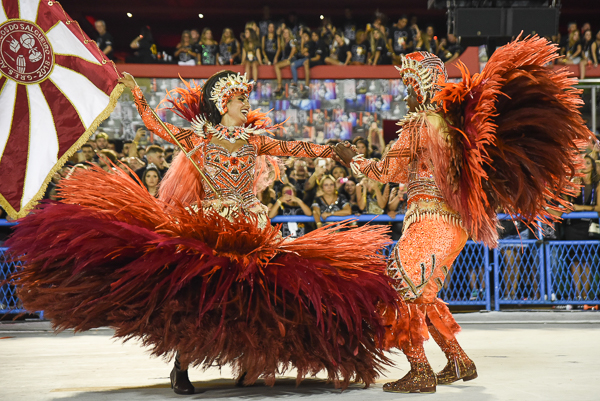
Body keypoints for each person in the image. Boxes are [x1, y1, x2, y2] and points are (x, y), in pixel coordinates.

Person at [9, 70, 402, 396]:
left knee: (253, 298)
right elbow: (155, 127)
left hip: (251, 224)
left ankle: (251, 364)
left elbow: (298, 149)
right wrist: (136, 93)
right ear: (222, 104)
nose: (246, 103)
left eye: (245, 97)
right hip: (213, 224)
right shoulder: (199, 138)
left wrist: (335, 150)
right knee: (202, 299)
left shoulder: (255, 140)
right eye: (239, 98)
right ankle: (181, 366)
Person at [335, 38, 590, 393]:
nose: (406, 96)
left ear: (420, 86)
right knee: (424, 295)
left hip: (429, 223)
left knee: (401, 292)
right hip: (453, 226)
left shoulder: (420, 123)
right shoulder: (449, 127)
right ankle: (458, 361)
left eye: (408, 86)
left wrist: (352, 161)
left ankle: (421, 371)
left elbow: (387, 172)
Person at [563, 154, 600, 299]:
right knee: (575, 261)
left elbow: (598, 207)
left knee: (587, 262)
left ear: (592, 167)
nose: (584, 166)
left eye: (588, 163)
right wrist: (572, 186)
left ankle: (586, 296)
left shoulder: (597, 185)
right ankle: (578, 296)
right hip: (573, 226)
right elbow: (567, 204)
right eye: (582, 164)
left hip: (588, 226)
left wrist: (580, 208)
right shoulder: (575, 182)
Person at [274, 28, 297, 94]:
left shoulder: (291, 41)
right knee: (276, 65)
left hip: (291, 59)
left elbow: (294, 49)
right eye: (284, 33)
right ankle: (280, 85)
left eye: (287, 32)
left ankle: (279, 85)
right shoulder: (283, 42)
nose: (285, 34)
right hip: (285, 59)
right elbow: (279, 47)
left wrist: (289, 58)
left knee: (277, 66)